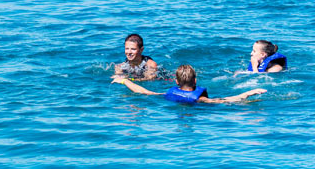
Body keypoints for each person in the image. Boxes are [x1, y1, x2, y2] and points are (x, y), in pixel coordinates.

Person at [112, 64, 266, 104]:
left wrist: (124, 80)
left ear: (176, 81)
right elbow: (226, 100)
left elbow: (143, 91)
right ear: (195, 81)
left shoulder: (169, 94)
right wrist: (247, 94)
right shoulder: (200, 99)